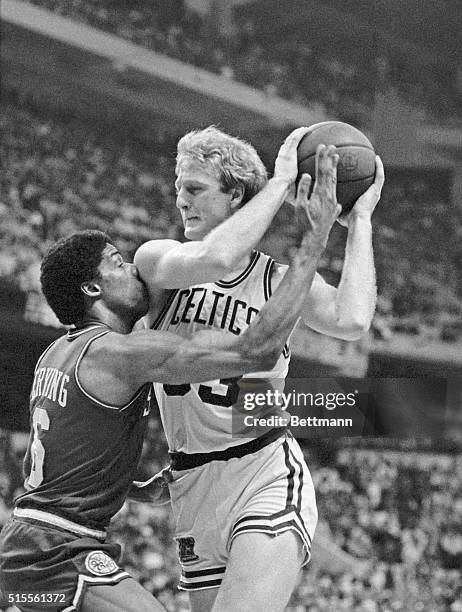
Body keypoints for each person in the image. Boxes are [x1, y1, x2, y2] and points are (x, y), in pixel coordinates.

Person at [0, 155, 340, 612]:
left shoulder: (58, 353)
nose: (133, 271)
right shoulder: (118, 354)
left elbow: (72, 446)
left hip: (29, 543)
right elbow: (254, 352)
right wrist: (314, 241)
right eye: (118, 265)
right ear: (93, 290)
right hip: (54, 549)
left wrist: (131, 484)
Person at [134, 125, 385, 611]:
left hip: (263, 468)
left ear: (235, 197)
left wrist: (360, 224)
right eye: (179, 188)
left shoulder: (275, 280)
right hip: (192, 482)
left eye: (195, 189)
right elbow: (216, 256)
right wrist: (279, 184)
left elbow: (352, 318)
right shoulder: (158, 259)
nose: (181, 200)